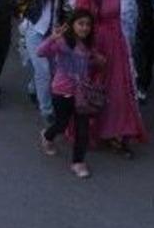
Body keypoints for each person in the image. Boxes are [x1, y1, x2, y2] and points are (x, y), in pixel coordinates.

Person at [74, 0, 150, 157]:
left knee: (118, 89)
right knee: (96, 89)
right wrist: (91, 52)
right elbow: (81, 23)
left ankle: (118, 133)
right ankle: (97, 130)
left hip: (117, 43)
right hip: (97, 44)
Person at [37, 9, 104, 178]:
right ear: (72, 25)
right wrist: (52, 38)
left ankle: (78, 162)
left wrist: (98, 60)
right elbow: (41, 52)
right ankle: (47, 135)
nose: (84, 28)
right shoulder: (62, 43)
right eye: (80, 24)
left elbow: (92, 62)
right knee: (62, 124)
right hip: (61, 91)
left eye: (88, 24)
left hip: (82, 94)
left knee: (83, 129)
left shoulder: (88, 46)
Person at [18, 0, 66, 122]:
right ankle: (46, 110)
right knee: (43, 71)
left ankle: (33, 87)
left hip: (52, 34)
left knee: (51, 69)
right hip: (35, 32)